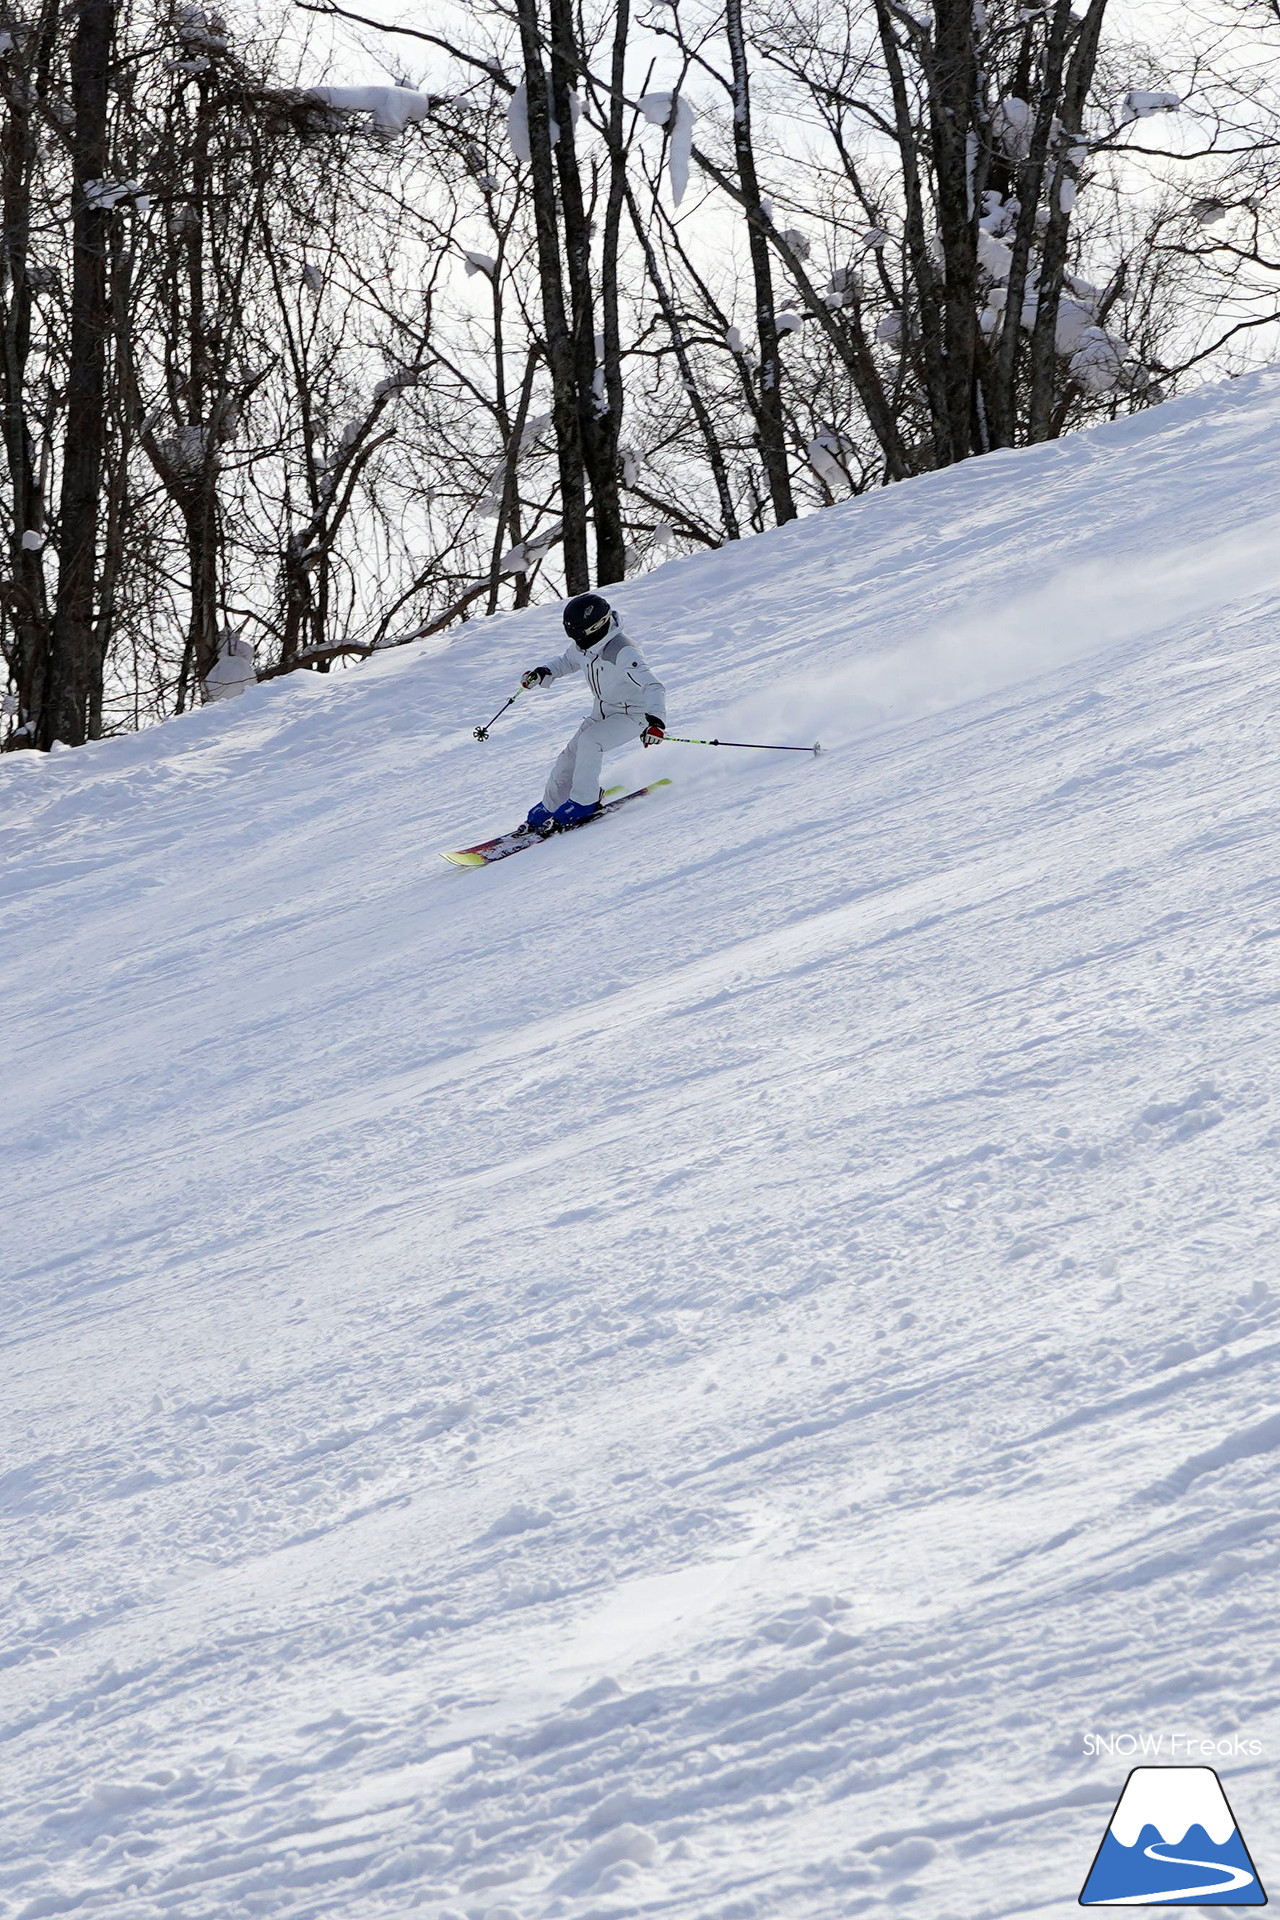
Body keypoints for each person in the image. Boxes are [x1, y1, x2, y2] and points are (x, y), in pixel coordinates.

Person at [519, 593, 666, 832]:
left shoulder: (623, 651)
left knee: (590, 742)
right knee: (569, 757)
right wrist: (544, 672)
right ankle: (550, 806)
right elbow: (566, 661)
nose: (576, 641)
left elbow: (653, 686)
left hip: (634, 716)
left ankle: (585, 802)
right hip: (603, 711)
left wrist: (656, 722)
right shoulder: (584, 645)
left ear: (595, 627)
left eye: (579, 634)